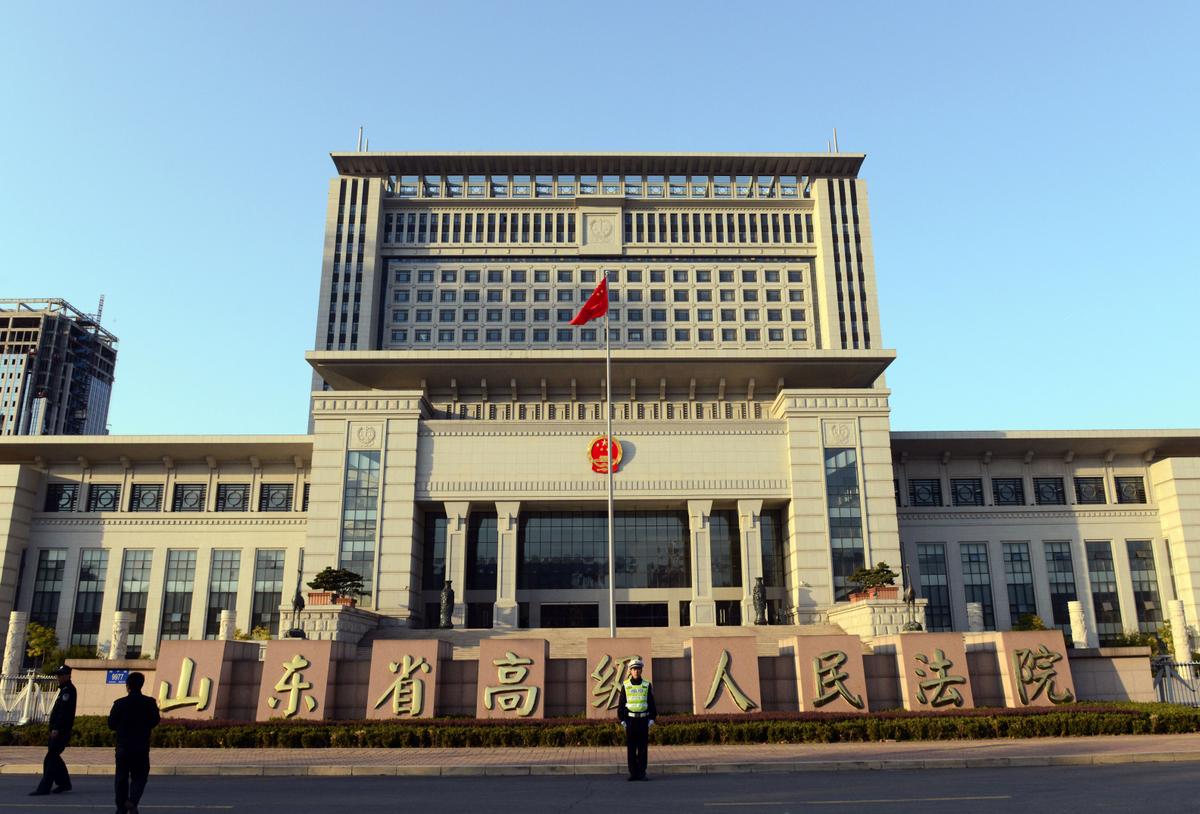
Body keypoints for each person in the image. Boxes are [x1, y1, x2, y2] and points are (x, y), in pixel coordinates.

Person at [108, 671, 160, 814]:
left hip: (123, 746)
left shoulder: (119, 703)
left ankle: (121, 807)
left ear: (127, 686)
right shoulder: (149, 703)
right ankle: (132, 800)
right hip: (141, 747)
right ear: (141, 685)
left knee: (121, 778)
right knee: (140, 776)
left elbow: (111, 724)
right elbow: (155, 721)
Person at [29, 664, 76, 796]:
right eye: (58, 675)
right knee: (54, 758)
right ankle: (64, 783)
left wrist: (56, 728)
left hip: (61, 731)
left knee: (50, 759)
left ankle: (44, 788)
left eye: (61, 675)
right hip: (58, 730)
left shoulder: (68, 691)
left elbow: (63, 712)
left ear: (67, 675)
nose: (58, 677)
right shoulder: (65, 690)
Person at [616, 656, 656, 781]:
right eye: (634, 669)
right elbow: (621, 704)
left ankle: (642, 773)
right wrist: (622, 720)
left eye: (638, 669)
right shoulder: (626, 685)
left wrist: (652, 719)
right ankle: (633, 773)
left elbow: (651, 702)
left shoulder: (646, 685)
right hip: (631, 721)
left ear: (641, 670)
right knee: (632, 748)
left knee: (643, 748)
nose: (636, 671)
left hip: (643, 721)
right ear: (630, 671)